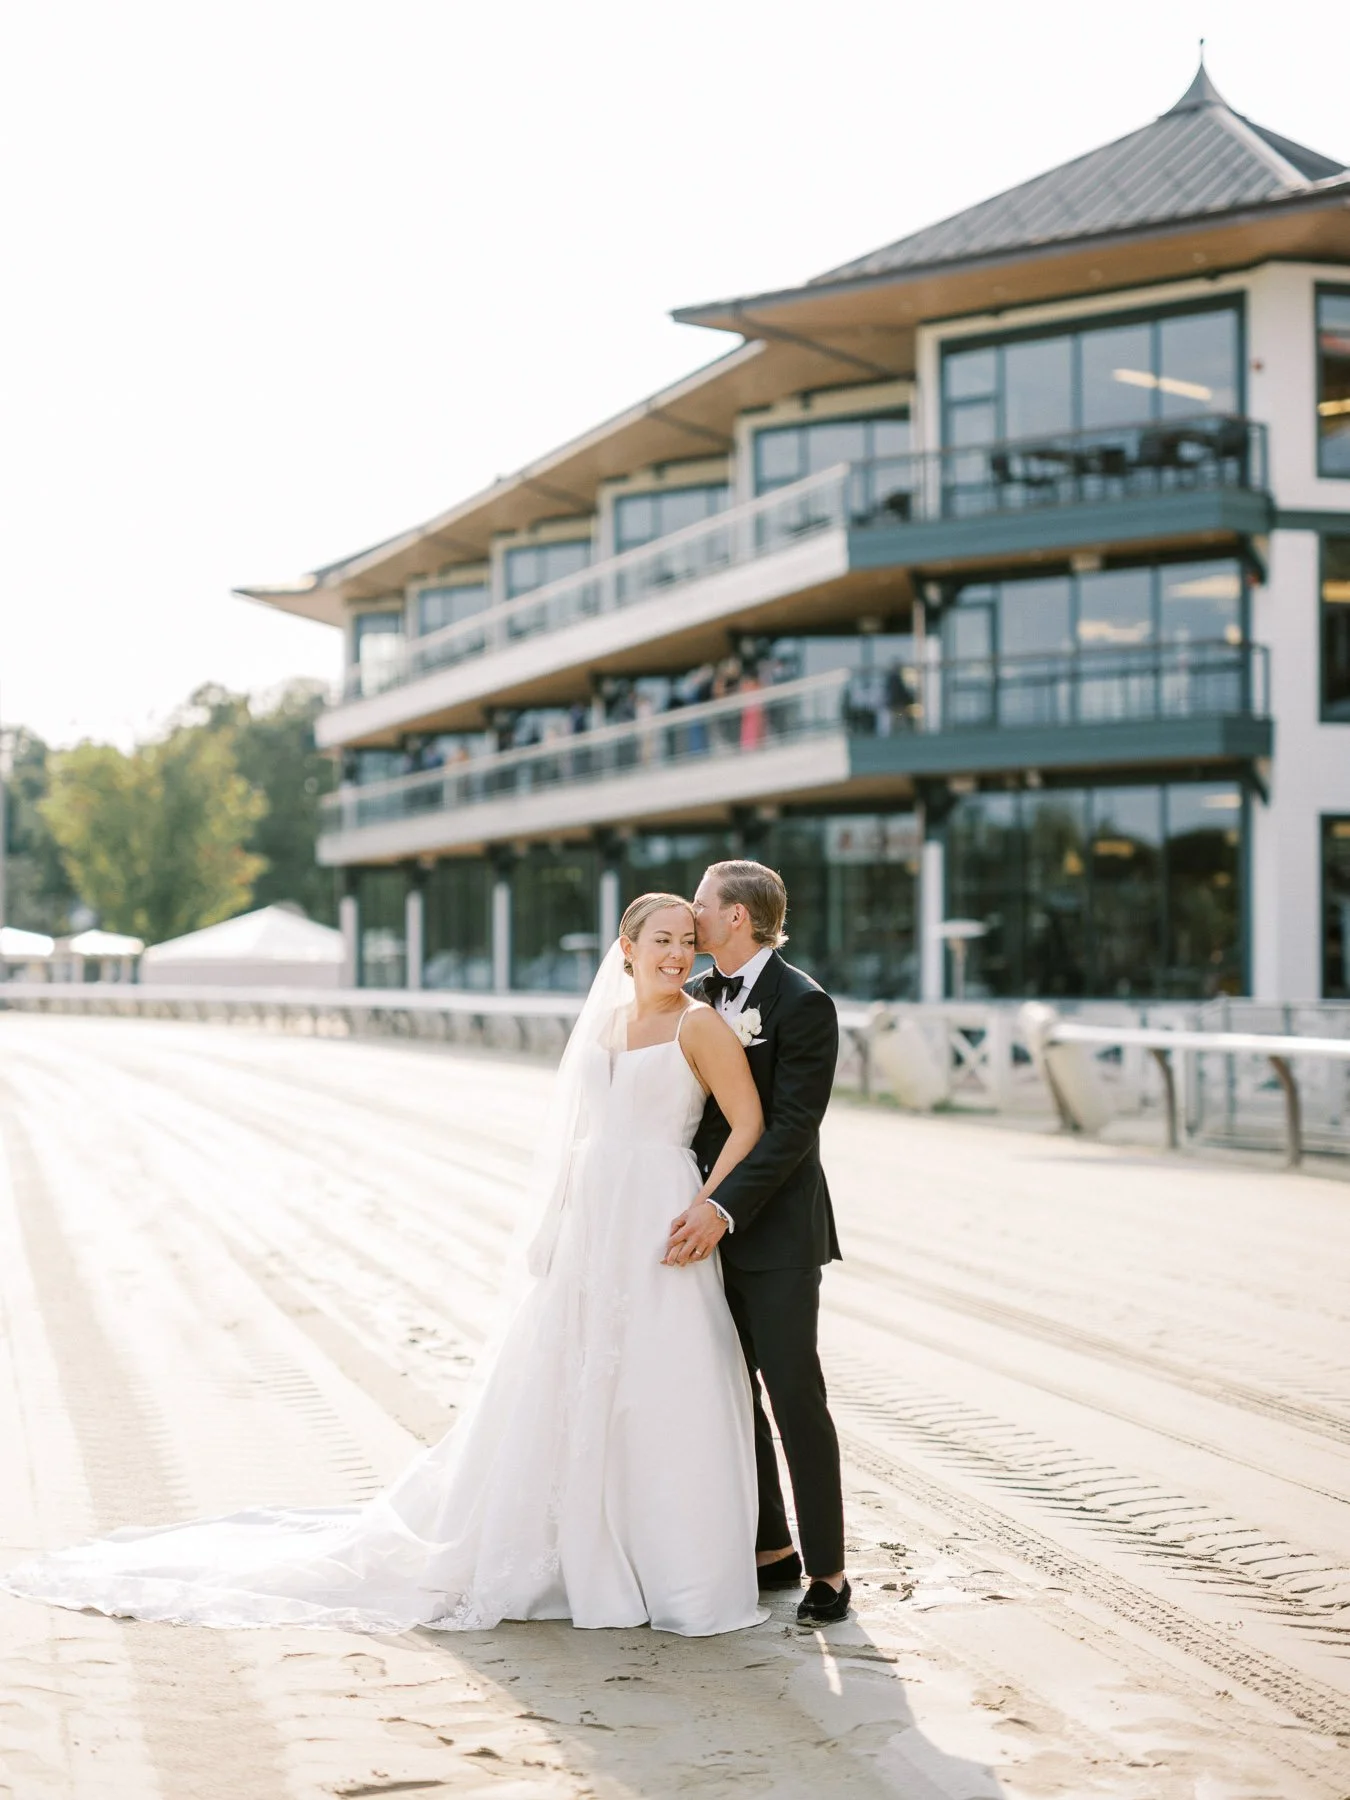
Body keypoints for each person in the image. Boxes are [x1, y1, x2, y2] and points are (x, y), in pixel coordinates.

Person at [4, 896, 770, 1639]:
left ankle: (662, 1561)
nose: (676, 954)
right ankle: (575, 1550)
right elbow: (579, 1134)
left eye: (685, 941)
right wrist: (556, 1227)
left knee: (662, 1380)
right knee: (568, 1375)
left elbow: (748, 1122)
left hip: (662, 1212)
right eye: (660, 940)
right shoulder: (602, 1024)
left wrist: (706, 1203)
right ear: (627, 948)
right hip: (593, 1216)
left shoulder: (698, 1026)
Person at [667, 860, 849, 1626]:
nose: (694, 915)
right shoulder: (700, 998)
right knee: (730, 1395)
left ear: (737, 917)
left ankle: (830, 1572)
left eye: (703, 906)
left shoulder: (805, 1004)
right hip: (701, 1225)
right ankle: (771, 1548)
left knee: (795, 1396)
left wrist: (725, 1210)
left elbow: (790, 1134)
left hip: (773, 1233)